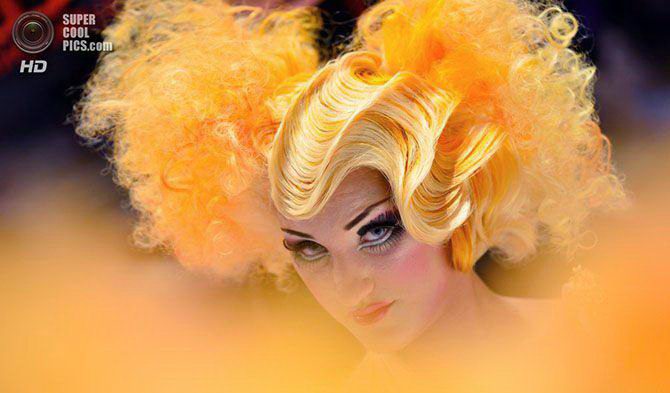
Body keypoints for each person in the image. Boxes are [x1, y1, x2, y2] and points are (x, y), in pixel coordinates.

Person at [75, 0, 627, 357]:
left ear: (453, 197)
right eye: (309, 248)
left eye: (376, 231)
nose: (348, 287)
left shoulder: (608, 340)